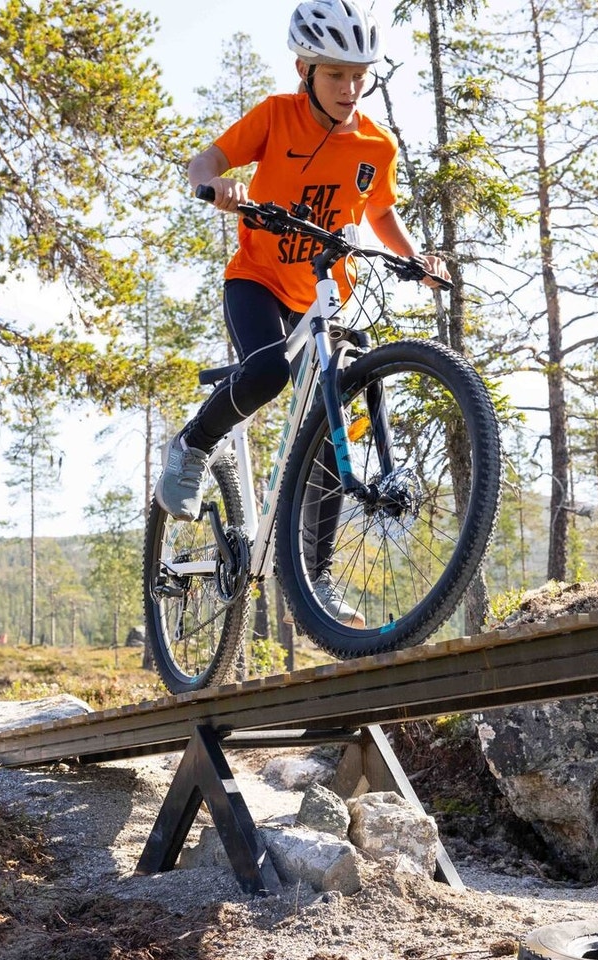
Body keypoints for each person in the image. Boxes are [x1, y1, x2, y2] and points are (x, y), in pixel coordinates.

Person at [158, 0, 447, 625]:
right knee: (266, 373)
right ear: (305, 69)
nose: (350, 88)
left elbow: (380, 213)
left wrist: (416, 257)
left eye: (359, 74)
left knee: (333, 427)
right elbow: (203, 162)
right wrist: (220, 186)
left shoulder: (375, 143)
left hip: (322, 293)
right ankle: (191, 445)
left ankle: (313, 583)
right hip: (258, 280)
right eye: (336, 74)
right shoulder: (275, 117)